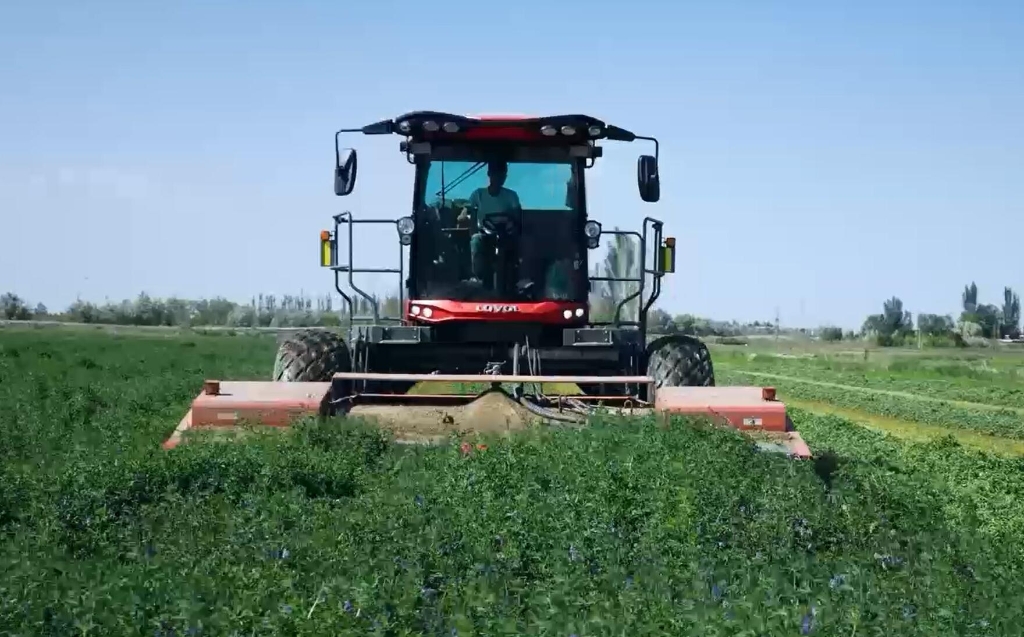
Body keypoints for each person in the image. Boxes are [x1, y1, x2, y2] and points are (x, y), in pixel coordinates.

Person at [466, 161, 523, 285]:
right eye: (496, 174)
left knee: (519, 242)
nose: (500, 178)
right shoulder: (478, 195)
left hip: (507, 233)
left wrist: (512, 229)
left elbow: (517, 218)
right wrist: (473, 230)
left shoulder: (511, 196)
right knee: (475, 240)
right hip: (485, 235)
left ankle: (516, 278)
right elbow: (470, 217)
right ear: (489, 174)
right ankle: (478, 276)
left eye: (503, 175)